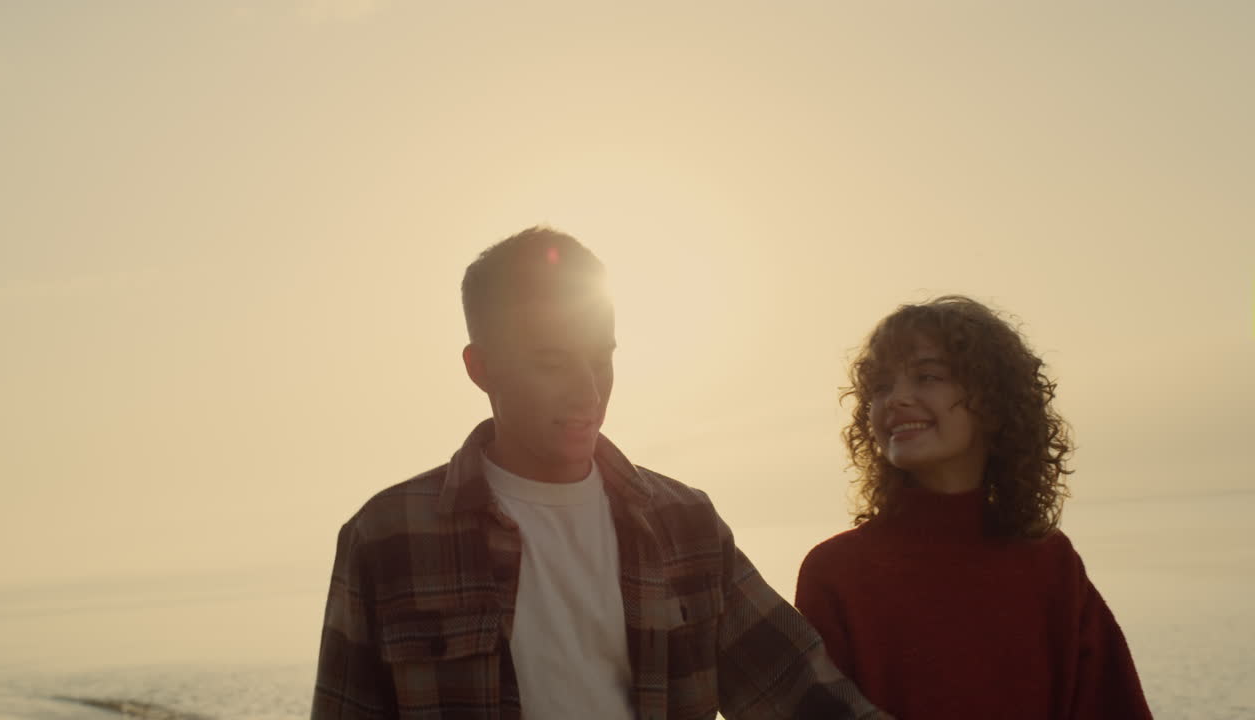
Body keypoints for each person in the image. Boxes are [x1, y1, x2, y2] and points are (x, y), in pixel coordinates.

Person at [312, 227, 888, 719]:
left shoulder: (685, 526)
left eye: (602, 357)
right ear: (481, 368)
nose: (589, 390)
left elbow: (805, 694)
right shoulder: (387, 536)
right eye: (552, 362)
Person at [795, 295, 1153, 719]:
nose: (896, 399)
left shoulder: (1050, 563)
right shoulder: (836, 572)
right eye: (880, 386)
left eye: (927, 376)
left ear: (992, 401)